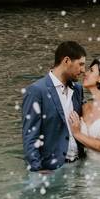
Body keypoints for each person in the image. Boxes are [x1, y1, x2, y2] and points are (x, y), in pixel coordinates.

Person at [21, 41, 86, 172]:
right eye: (81, 64)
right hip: (51, 171)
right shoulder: (37, 91)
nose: (83, 70)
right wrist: (37, 170)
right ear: (67, 60)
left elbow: (89, 122)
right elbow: (30, 135)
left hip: (79, 167)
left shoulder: (78, 89)